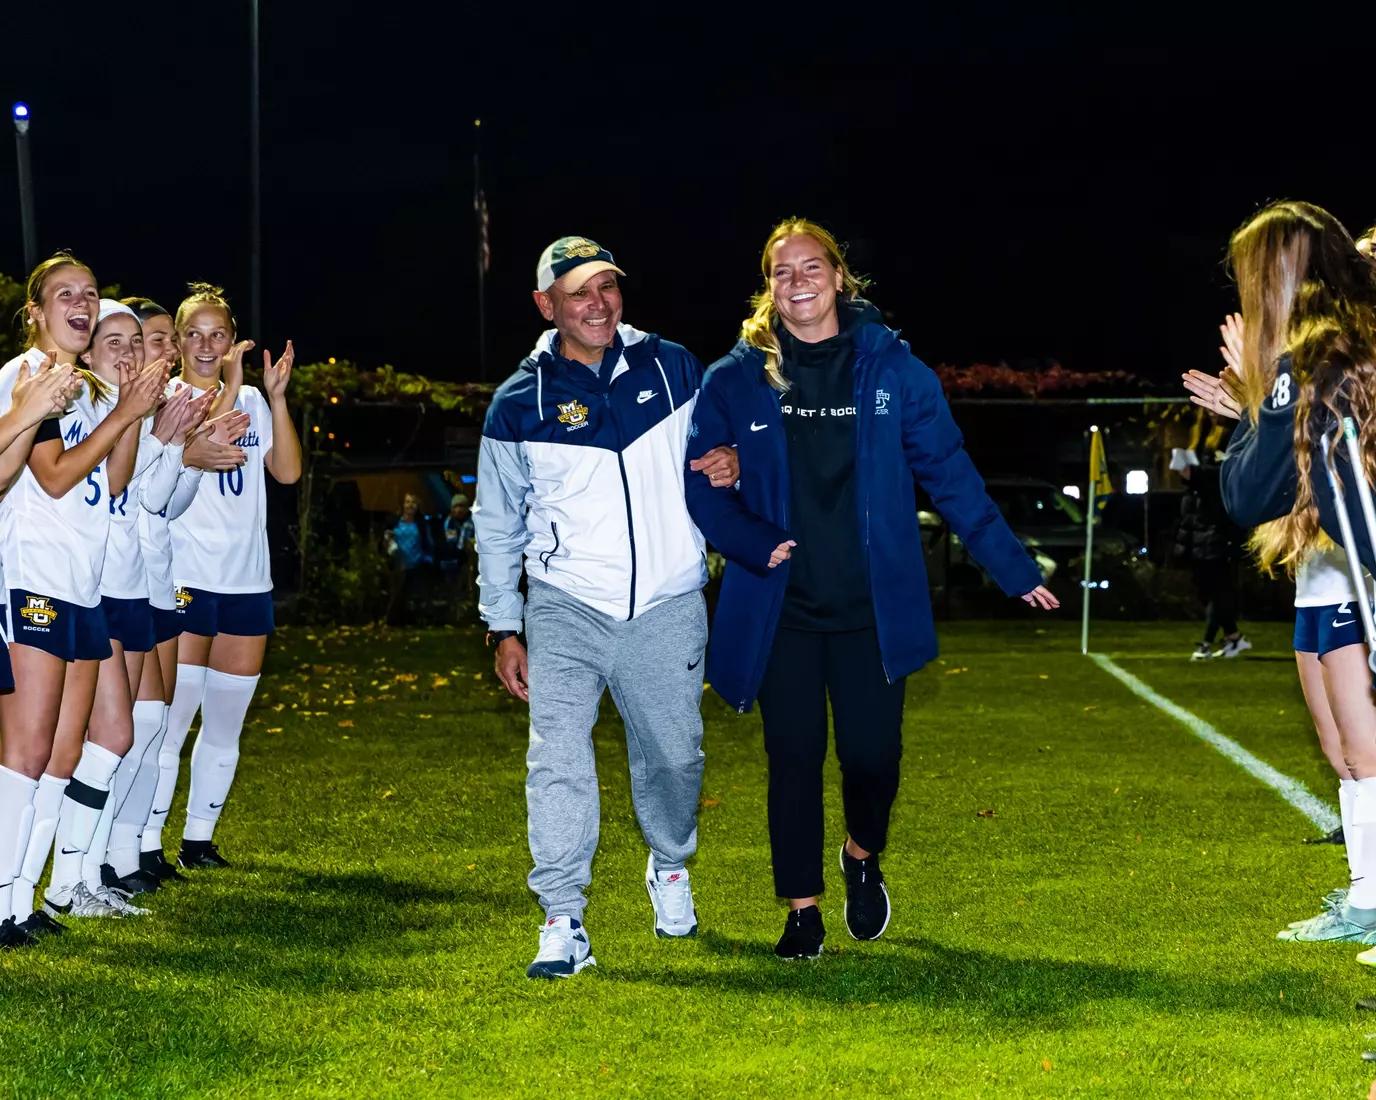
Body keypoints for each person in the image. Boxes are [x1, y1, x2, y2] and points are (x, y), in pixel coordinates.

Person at [684, 218, 1057, 959]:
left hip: (870, 614)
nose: (798, 283)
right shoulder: (734, 379)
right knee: (792, 761)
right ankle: (802, 911)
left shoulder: (896, 372)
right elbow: (701, 488)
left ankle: (861, 855)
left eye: (811, 267)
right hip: (780, 610)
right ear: (768, 288)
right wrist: (756, 543)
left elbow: (950, 475)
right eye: (782, 272)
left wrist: (1014, 569)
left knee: (872, 760)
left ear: (839, 277)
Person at [475, 235, 739, 979]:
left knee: (675, 757)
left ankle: (671, 864)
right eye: (579, 292)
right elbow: (495, 523)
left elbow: (728, 442)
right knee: (556, 758)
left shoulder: (674, 365)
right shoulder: (517, 401)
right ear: (545, 304)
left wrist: (737, 463)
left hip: (667, 601)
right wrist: (503, 624)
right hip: (565, 606)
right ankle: (563, 918)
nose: (597, 304)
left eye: (607, 287)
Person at [1184, 201, 1376, 954]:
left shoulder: (1335, 355)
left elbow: (1252, 492)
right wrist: (1259, 406)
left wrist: (1268, 400)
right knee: (1346, 749)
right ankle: (1366, 895)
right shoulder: (1323, 360)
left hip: (1352, 577)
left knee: (1363, 748)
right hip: (1339, 574)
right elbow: (1263, 488)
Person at [0, 267, 168, 940]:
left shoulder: (83, 389)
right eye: (66, 294)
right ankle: (4, 899)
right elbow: (58, 476)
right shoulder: (30, 376)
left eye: (89, 293)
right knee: (27, 749)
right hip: (36, 577)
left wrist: (129, 412)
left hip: (82, 584)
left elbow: (112, 480)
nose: (83, 303)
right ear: (36, 311)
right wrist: (129, 413)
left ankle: (23, 898)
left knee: (58, 755)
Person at [142, 283, 300, 872]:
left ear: (232, 338)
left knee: (225, 723)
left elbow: (285, 473)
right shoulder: (167, 397)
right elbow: (199, 438)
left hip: (247, 582)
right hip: (187, 578)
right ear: (178, 342)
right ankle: (146, 844)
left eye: (218, 334)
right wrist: (232, 387)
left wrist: (277, 400)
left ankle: (199, 840)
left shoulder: (254, 400)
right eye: (194, 334)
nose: (207, 345)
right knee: (171, 724)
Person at [1171, 407, 1250, 659]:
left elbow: (1229, 475)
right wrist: (1189, 475)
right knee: (1211, 588)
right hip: (1199, 525)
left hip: (1218, 527)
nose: (1211, 413)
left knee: (1218, 588)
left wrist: (1196, 475)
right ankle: (1233, 638)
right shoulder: (1202, 436)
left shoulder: (1234, 436)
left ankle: (1206, 643)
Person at [385, 492, 435, 625]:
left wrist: (427, 560)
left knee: (416, 595)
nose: (410, 505)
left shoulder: (422, 524)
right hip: (398, 564)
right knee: (398, 594)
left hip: (417, 564)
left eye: (413, 502)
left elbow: (429, 543)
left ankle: (417, 620)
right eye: (407, 502)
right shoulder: (395, 522)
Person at [441, 492, 476, 614]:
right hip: (450, 562)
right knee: (452, 590)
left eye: (462, 506)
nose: (459, 510)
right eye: (456, 506)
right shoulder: (447, 523)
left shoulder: (473, 522)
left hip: (469, 561)